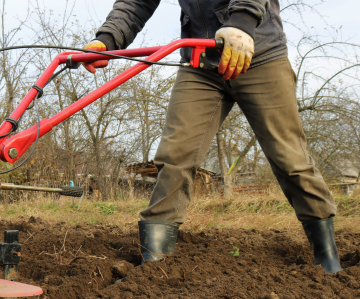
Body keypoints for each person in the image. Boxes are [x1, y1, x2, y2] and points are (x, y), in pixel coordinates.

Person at [83, 0, 342, 273]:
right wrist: (108, 38)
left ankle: (326, 257)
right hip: (201, 61)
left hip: (258, 52)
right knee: (174, 157)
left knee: (290, 159)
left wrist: (242, 21)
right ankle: (153, 263)